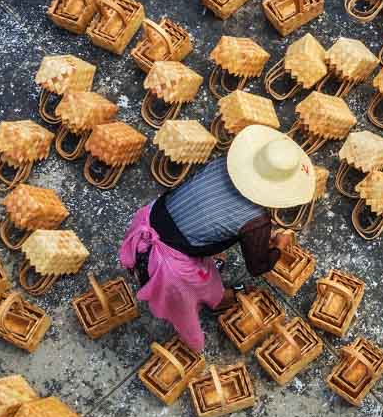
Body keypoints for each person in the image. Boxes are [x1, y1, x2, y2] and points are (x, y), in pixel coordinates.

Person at [116, 126, 314, 353]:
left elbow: (209, 206)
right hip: (170, 261)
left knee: (207, 252)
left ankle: (203, 269)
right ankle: (219, 301)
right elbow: (258, 267)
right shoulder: (256, 221)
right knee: (204, 285)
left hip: (151, 216)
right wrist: (277, 246)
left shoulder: (223, 164)